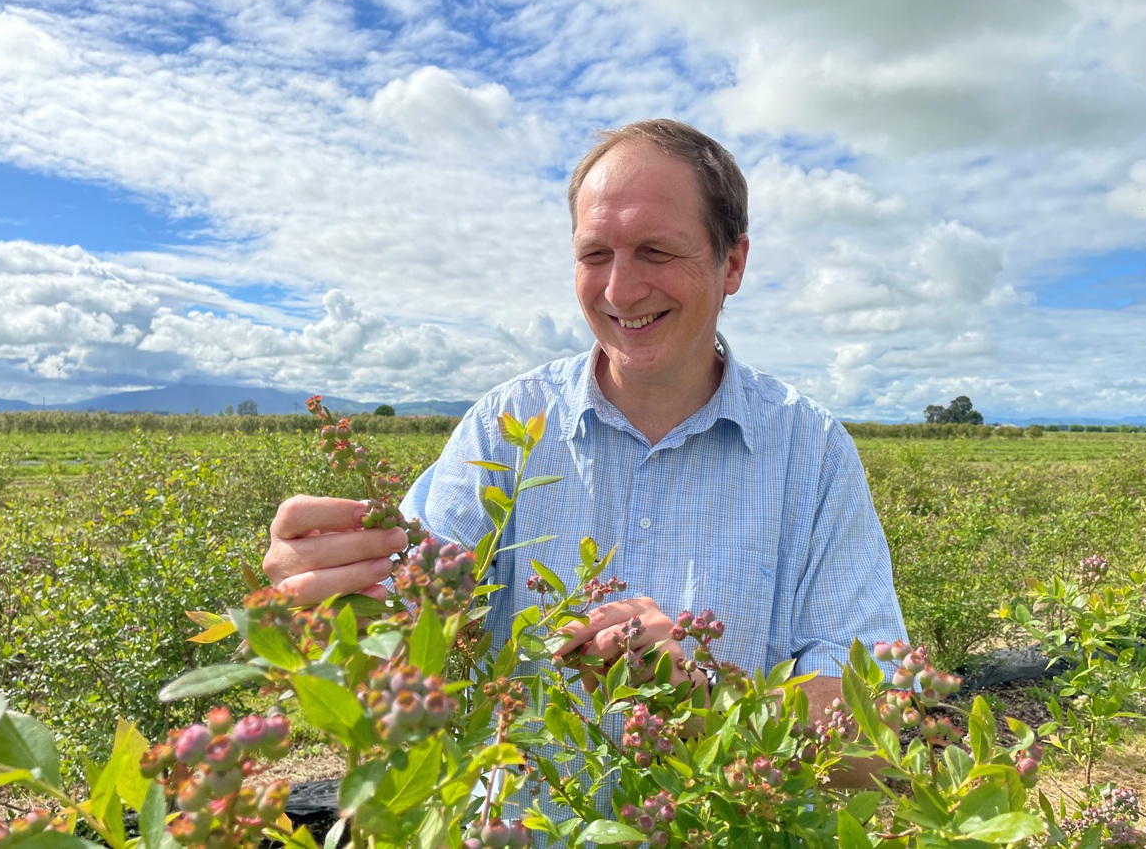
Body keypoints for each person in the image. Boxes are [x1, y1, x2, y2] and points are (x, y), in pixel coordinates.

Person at [265, 119, 908, 789]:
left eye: (656, 251)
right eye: (595, 254)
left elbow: (879, 728)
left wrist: (707, 704)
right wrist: (334, 592)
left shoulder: (811, 451)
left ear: (733, 264)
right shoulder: (507, 426)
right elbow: (404, 625)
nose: (620, 290)